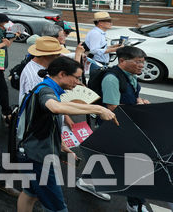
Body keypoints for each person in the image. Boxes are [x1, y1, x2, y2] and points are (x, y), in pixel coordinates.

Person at [16, 57, 118, 212]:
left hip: (31, 151)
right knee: (57, 208)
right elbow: (55, 107)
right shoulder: (46, 91)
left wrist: (61, 144)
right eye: (76, 78)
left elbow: (44, 123)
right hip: (38, 158)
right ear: (62, 74)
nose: (78, 82)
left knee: (30, 193)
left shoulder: (49, 88)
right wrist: (98, 109)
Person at [100, 45, 150, 212]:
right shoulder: (111, 79)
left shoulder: (131, 76)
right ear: (122, 60)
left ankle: (91, 182)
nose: (142, 66)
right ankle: (135, 203)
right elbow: (112, 108)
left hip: (129, 124)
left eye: (143, 62)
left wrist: (139, 101)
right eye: (138, 62)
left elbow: (129, 97)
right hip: (116, 127)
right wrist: (137, 108)